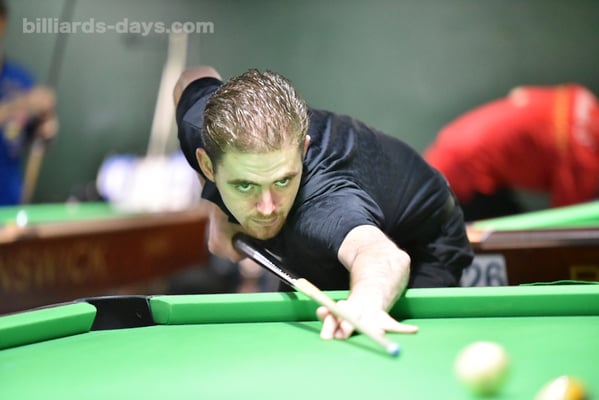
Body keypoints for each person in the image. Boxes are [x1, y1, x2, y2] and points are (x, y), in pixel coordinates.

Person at [174, 66, 473, 341]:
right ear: (208, 165)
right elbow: (192, 77)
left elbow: (381, 255)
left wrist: (365, 304)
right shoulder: (200, 125)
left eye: (283, 181)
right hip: (334, 230)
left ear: (303, 151)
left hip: (420, 243)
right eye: (245, 185)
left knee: (360, 338)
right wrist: (217, 212)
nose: (267, 207)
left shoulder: (323, 202)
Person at [424, 84, 599, 221]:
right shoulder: (582, 157)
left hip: (456, 147)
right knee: (519, 246)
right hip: (461, 174)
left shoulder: (582, 99)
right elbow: (566, 225)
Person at [0, 0, 58, 205]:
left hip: (9, 201)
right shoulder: (26, 96)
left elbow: (34, 139)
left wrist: (45, 130)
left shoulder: (22, 80)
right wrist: (21, 104)